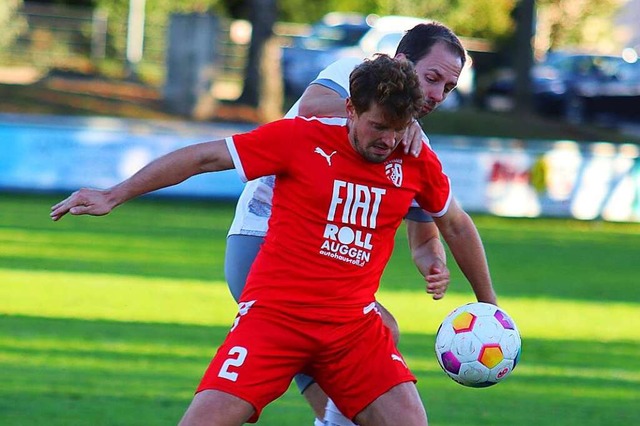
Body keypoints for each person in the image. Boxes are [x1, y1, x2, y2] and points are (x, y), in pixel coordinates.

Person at [51, 54, 497, 426]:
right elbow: (205, 157)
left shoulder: (417, 162)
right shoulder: (299, 139)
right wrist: (114, 193)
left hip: (352, 330)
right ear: (350, 110)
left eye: (398, 129)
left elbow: (455, 225)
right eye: (378, 126)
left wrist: (488, 304)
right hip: (274, 321)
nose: (388, 140)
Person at [225, 21, 464, 425]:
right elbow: (313, 108)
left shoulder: (406, 143)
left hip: (319, 257)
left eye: (448, 87)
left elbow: (428, 229)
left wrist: (434, 262)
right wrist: (403, 122)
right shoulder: (354, 73)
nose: (437, 94)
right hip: (264, 240)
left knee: (354, 400)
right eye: (432, 78)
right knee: (380, 332)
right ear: (401, 62)